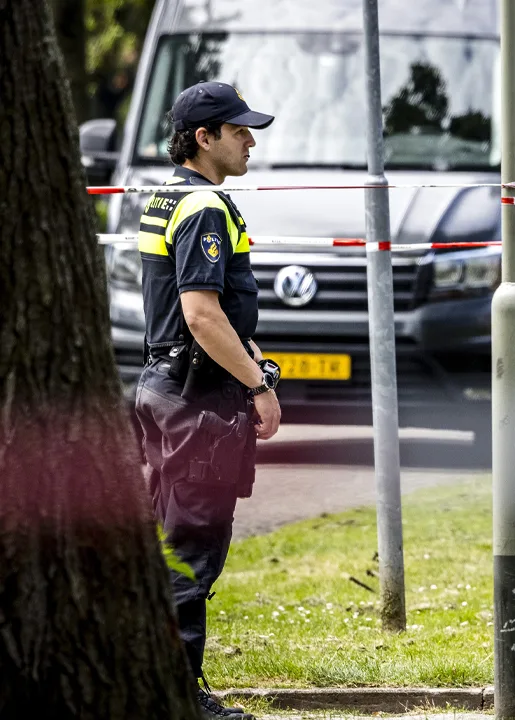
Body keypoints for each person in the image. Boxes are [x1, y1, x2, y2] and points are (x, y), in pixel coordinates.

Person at [133, 81, 281, 720]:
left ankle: (154, 683)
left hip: (163, 387)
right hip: (196, 397)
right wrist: (257, 383)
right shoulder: (203, 208)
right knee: (192, 547)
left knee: (171, 540)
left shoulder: (168, 196)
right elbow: (202, 316)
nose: (250, 140)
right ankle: (179, 697)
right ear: (204, 137)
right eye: (239, 130)